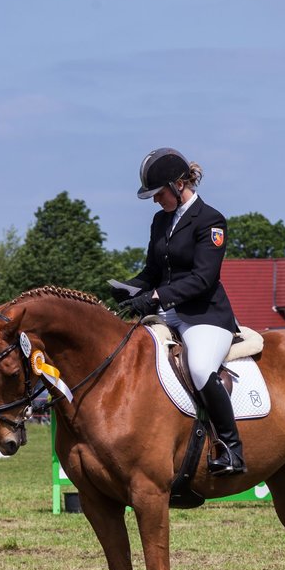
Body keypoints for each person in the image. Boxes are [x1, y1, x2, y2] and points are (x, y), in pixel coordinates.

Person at [113, 146, 245, 475]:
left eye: (159, 194)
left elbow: (203, 278)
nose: (157, 201)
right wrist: (128, 288)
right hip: (170, 313)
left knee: (199, 368)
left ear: (177, 185)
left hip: (205, 315)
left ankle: (231, 448)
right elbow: (151, 274)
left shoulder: (211, 221)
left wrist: (155, 297)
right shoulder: (161, 221)